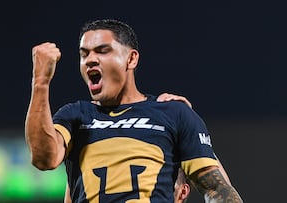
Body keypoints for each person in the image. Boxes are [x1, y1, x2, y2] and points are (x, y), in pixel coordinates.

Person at [25, 18, 243, 202]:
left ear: (131, 59)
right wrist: (41, 82)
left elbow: (217, 189)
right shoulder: (75, 116)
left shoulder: (174, 113)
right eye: (84, 54)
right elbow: (44, 158)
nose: (90, 59)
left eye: (103, 51)